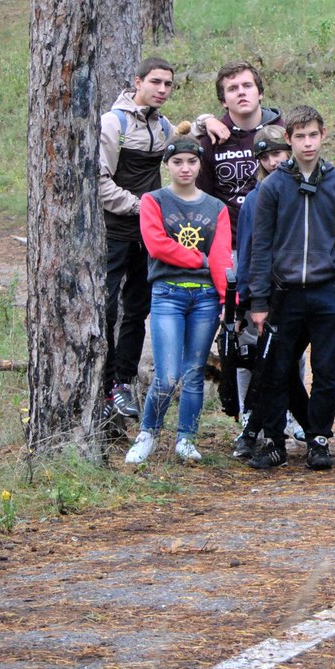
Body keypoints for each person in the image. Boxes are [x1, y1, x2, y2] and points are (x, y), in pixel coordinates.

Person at [246, 106, 335, 471]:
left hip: (327, 294)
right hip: (285, 294)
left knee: (325, 371)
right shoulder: (274, 186)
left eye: (313, 135)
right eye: (299, 137)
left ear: (323, 135)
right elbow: (261, 245)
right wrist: (259, 299)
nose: (307, 143)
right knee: (278, 370)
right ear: (289, 140)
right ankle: (274, 441)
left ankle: (319, 439)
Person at [124, 139, 232, 465]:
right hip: (168, 294)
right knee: (167, 375)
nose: (185, 168)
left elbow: (222, 256)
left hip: (205, 299)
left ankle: (186, 438)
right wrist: (198, 260)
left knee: (194, 372)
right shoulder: (153, 201)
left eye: (191, 162)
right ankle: (148, 434)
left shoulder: (217, 208)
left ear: (200, 165)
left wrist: (226, 298)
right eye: (178, 162)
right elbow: (157, 246)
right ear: (167, 165)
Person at [100, 57, 176, 419]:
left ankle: (123, 382)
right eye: (156, 82)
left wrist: (208, 122)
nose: (162, 90)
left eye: (168, 85)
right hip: (113, 231)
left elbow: (185, 145)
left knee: (137, 309)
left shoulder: (161, 125)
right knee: (106, 308)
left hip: (146, 235)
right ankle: (101, 384)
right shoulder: (113, 123)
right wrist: (141, 206)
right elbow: (100, 182)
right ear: (138, 82)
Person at [229, 127, 310, 460]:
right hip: (264, 294)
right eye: (266, 156)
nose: (275, 161)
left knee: (289, 360)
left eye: (279, 153)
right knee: (259, 360)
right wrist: (246, 299)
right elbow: (248, 249)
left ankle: (296, 421)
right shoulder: (254, 198)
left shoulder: (306, 188)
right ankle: (253, 423)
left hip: (299, 290)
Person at [192, 61, 284, 242]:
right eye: (233, 88)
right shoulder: (211, 140)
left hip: (279, 239)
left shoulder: (282, 134)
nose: (241, 92)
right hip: (230, 242)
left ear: (260, 93)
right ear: (223, 101)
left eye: (247, 86)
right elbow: (203, 198)